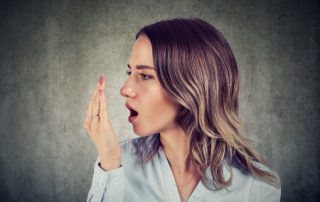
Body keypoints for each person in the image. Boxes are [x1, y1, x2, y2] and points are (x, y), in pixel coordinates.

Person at [84, 17, 281, 202]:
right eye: (130, 72)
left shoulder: (256, 186)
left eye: (145, 76)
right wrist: (110, 163)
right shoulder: (116, 164)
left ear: (191, 86)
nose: (125, 89)